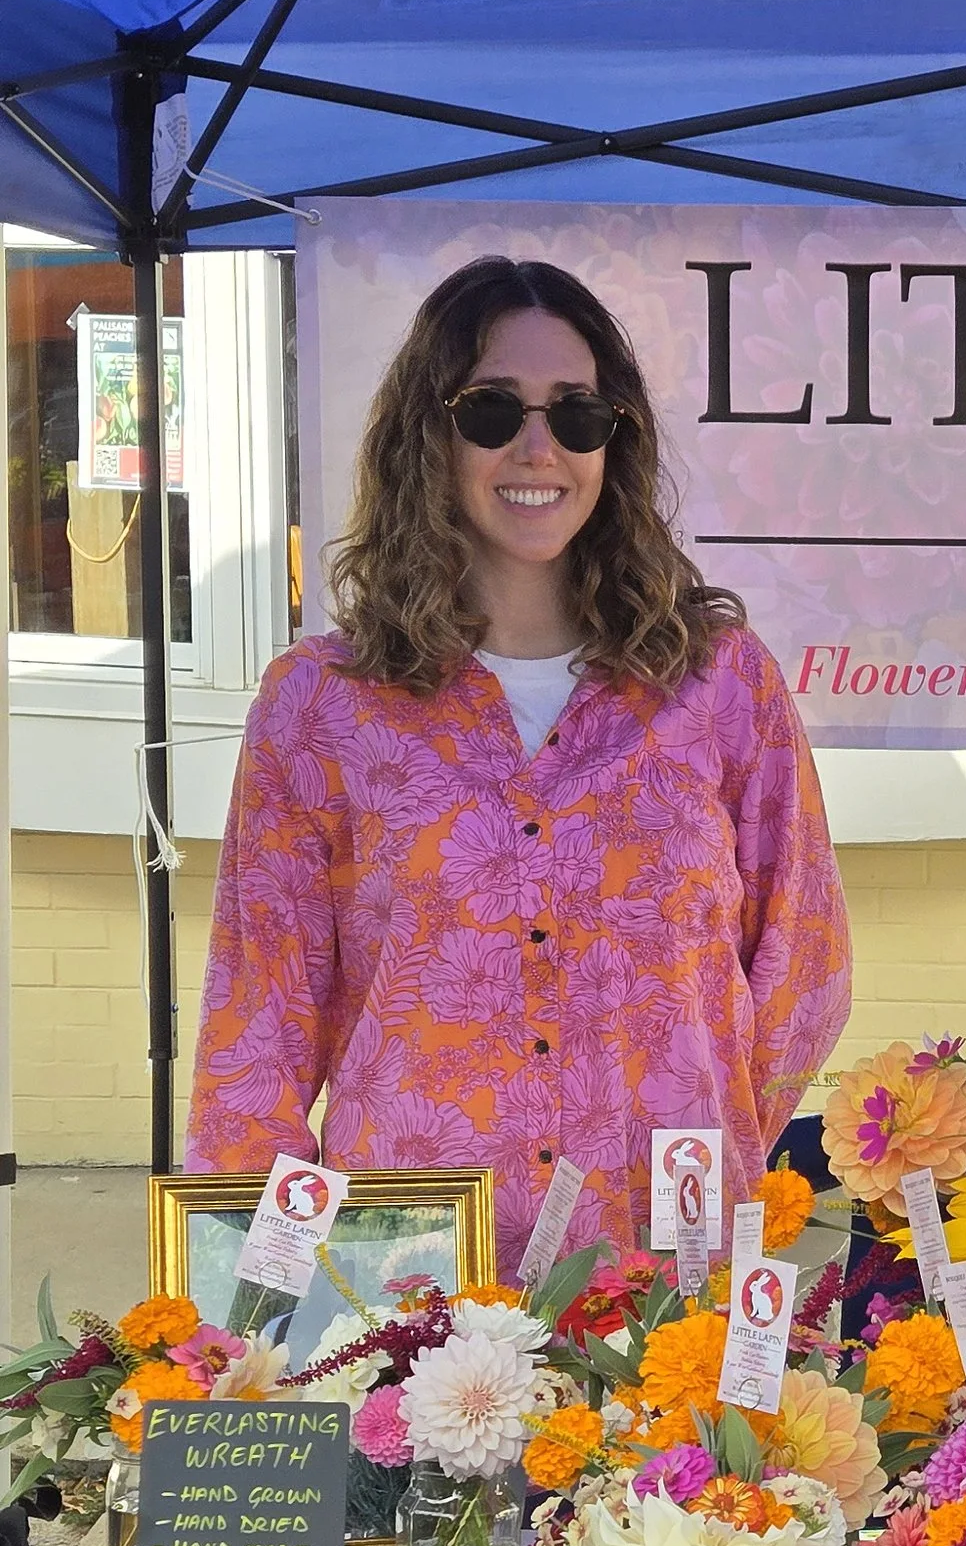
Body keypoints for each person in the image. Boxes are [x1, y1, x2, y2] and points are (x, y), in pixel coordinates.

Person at [186, 255, 849, 1279]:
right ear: (428, 435)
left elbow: (803, 958)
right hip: (411, 1283)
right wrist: (257, 1298)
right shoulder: (320, 705)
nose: (539, 447)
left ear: (613, 442)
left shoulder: (720, 685)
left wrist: (710, 1146)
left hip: (659, 1278)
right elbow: (257, 1027)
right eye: (491, 410)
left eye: (577, 415)